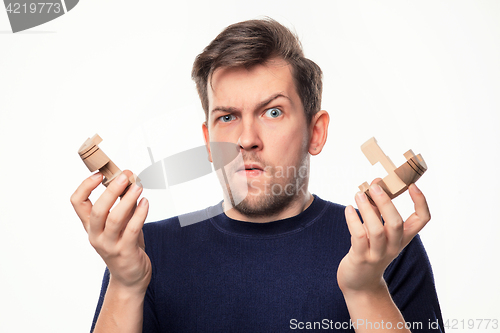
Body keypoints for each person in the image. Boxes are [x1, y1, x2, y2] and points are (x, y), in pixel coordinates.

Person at [71, 18, 444, 332]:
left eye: (273, 112)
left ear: (316, 132)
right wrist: (125, 285)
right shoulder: (143, 254)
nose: (246, 140)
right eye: (227, 117)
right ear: (208, 141)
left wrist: (366, 290)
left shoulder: (381, 246)